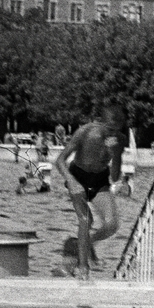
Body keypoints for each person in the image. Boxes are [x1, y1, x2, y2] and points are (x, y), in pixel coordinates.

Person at [54, 105, 125, 279]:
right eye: (109, 130)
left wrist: (116, 154)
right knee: (86, 219)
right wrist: (71, 181)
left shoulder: (119, 140)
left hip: (99, 180)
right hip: (77, 177)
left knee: (111, 225)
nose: (112, 135)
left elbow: (115, 178)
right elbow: (60, 161)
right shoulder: (85, 133)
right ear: (100, 122)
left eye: (116, 131)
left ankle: (82, 243)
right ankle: (83, 269)